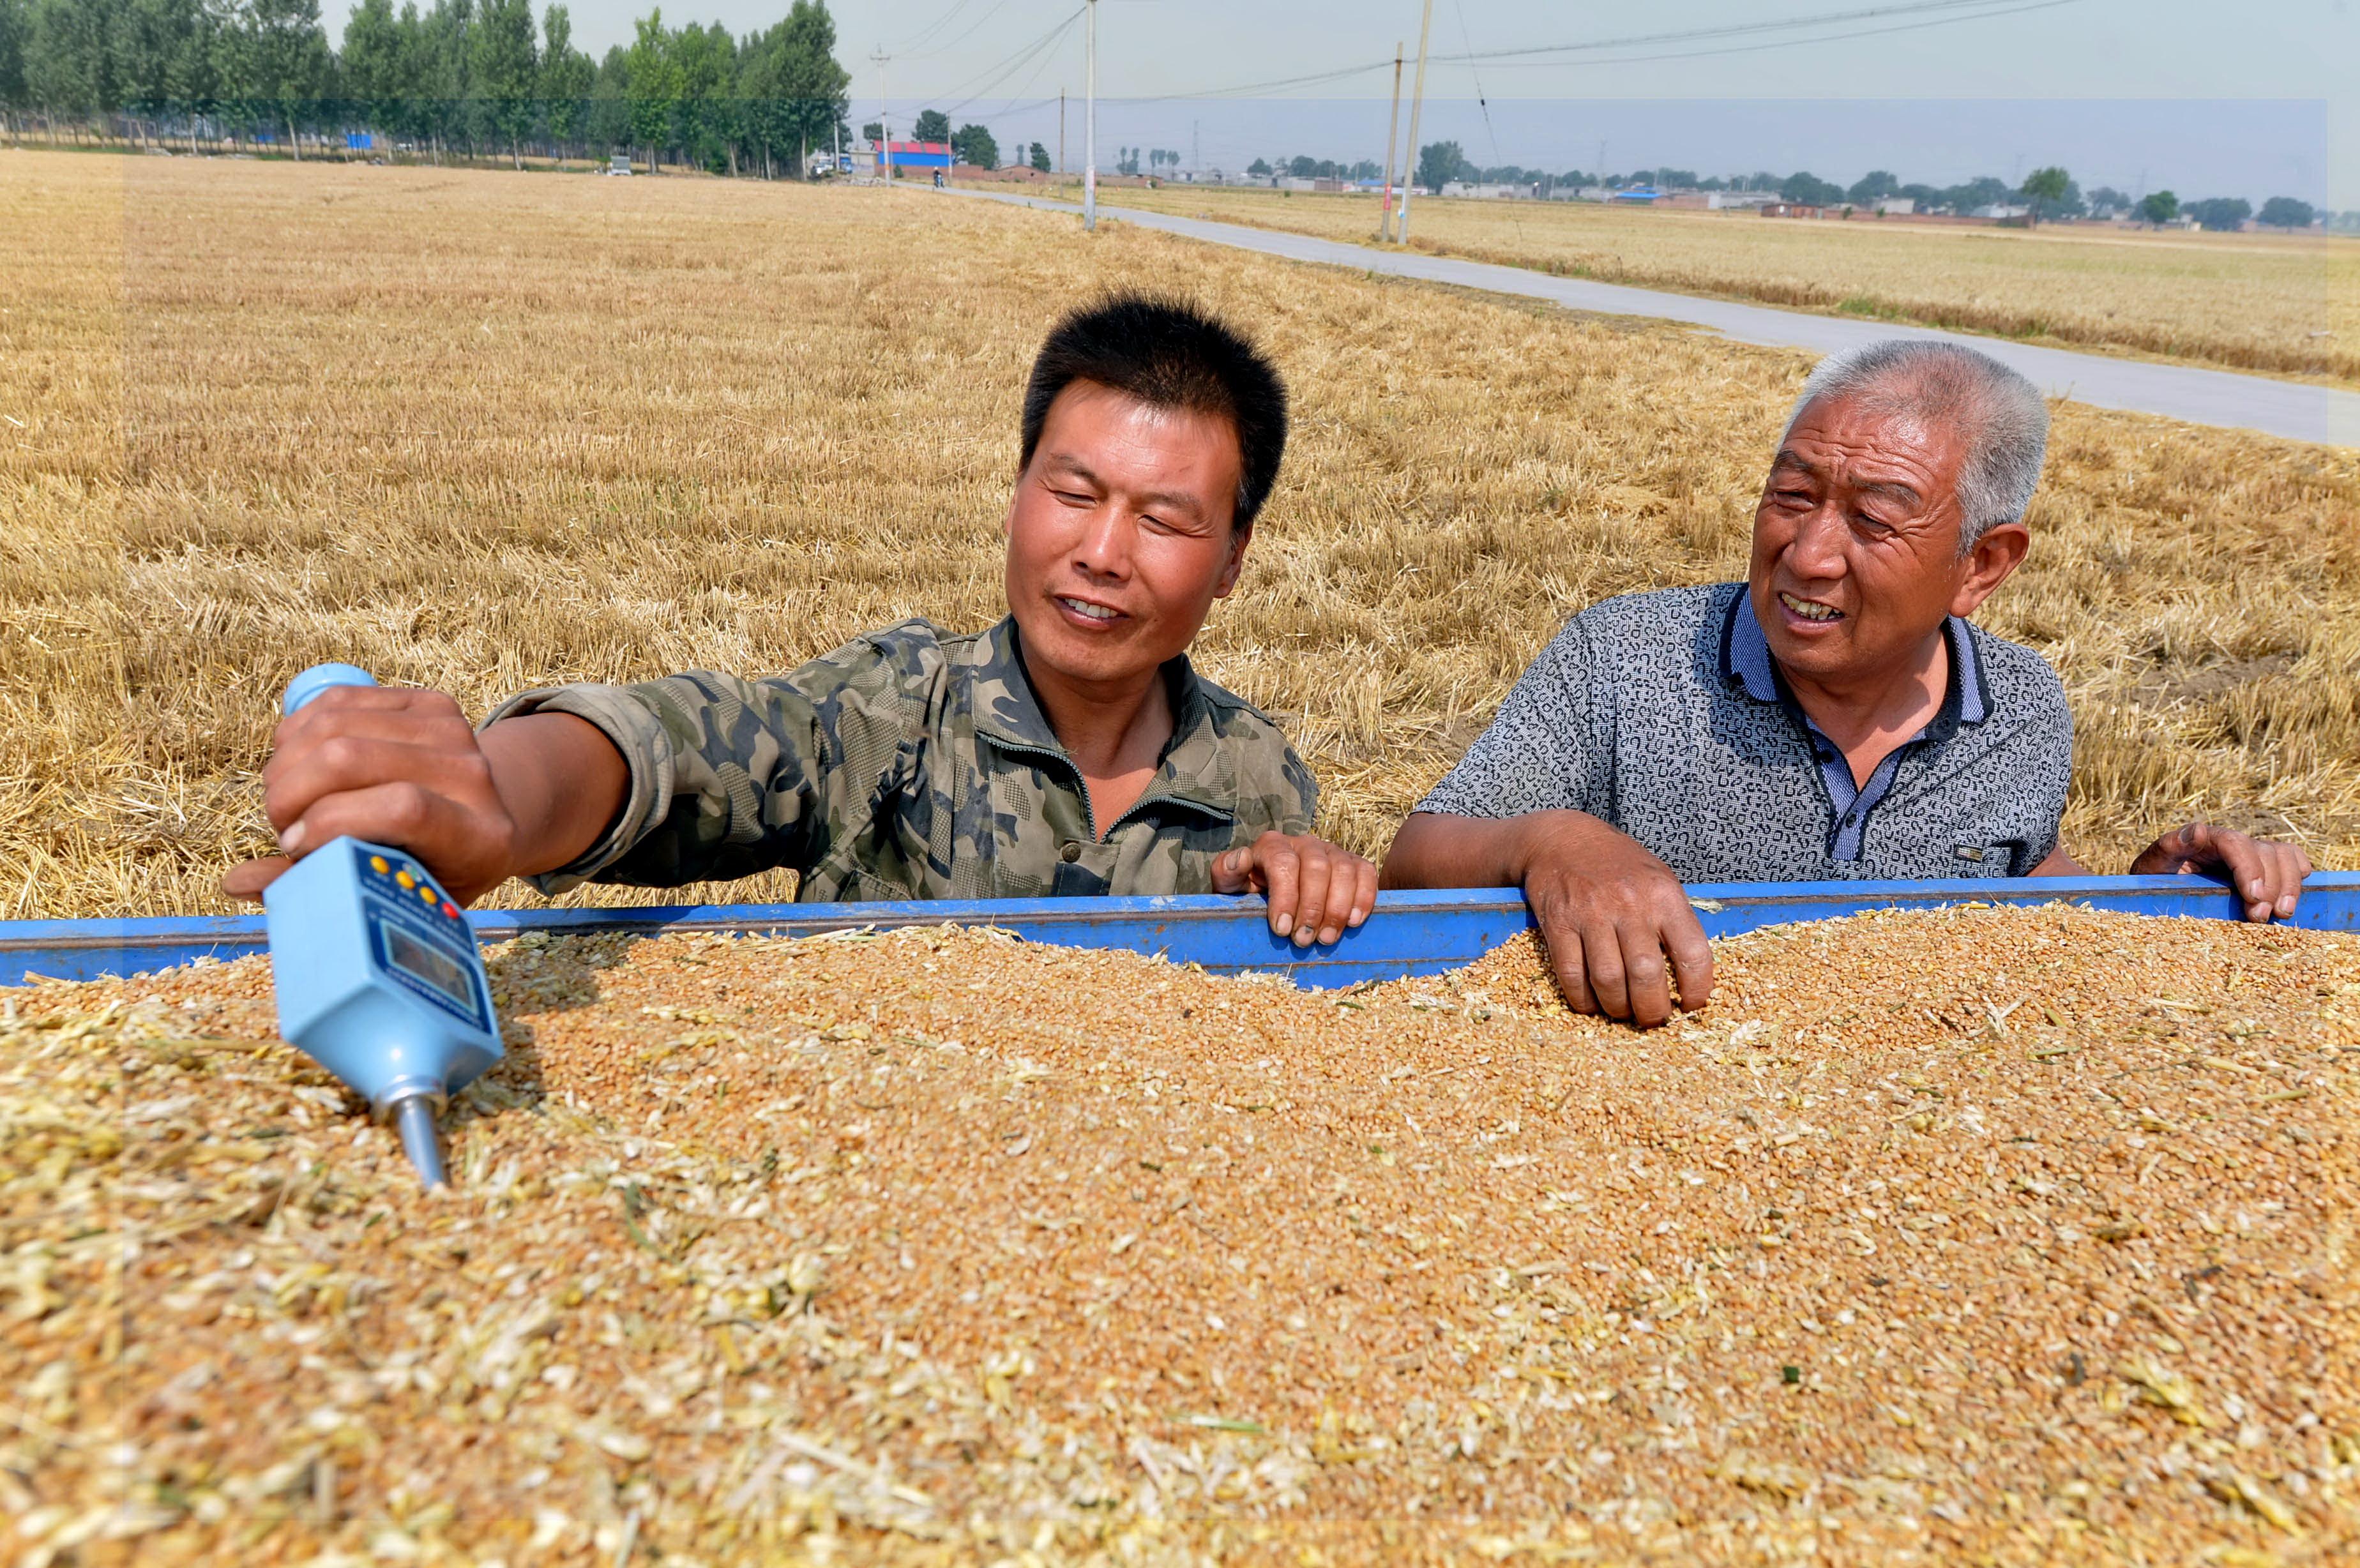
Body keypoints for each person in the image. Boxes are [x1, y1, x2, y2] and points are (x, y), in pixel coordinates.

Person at [227, 294, 1378, 946]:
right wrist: (497, 796)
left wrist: (1310, 887)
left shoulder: (1258, 775)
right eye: (1072, 494)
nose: (1101, 553)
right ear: (1020, 491)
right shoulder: (894, 710)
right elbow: (692, 746)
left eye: (1165, 521)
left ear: (1231, 560)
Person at [1382, 339, 2314, 1027]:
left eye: (1873, 519)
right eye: (1791, 497)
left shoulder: (2023, 710)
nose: (1809, 555)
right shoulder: (1622, 660)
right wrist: (1556, 840)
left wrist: (2142, 908)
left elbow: (2013, 881)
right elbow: (1418, 858)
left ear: (1981, 566)